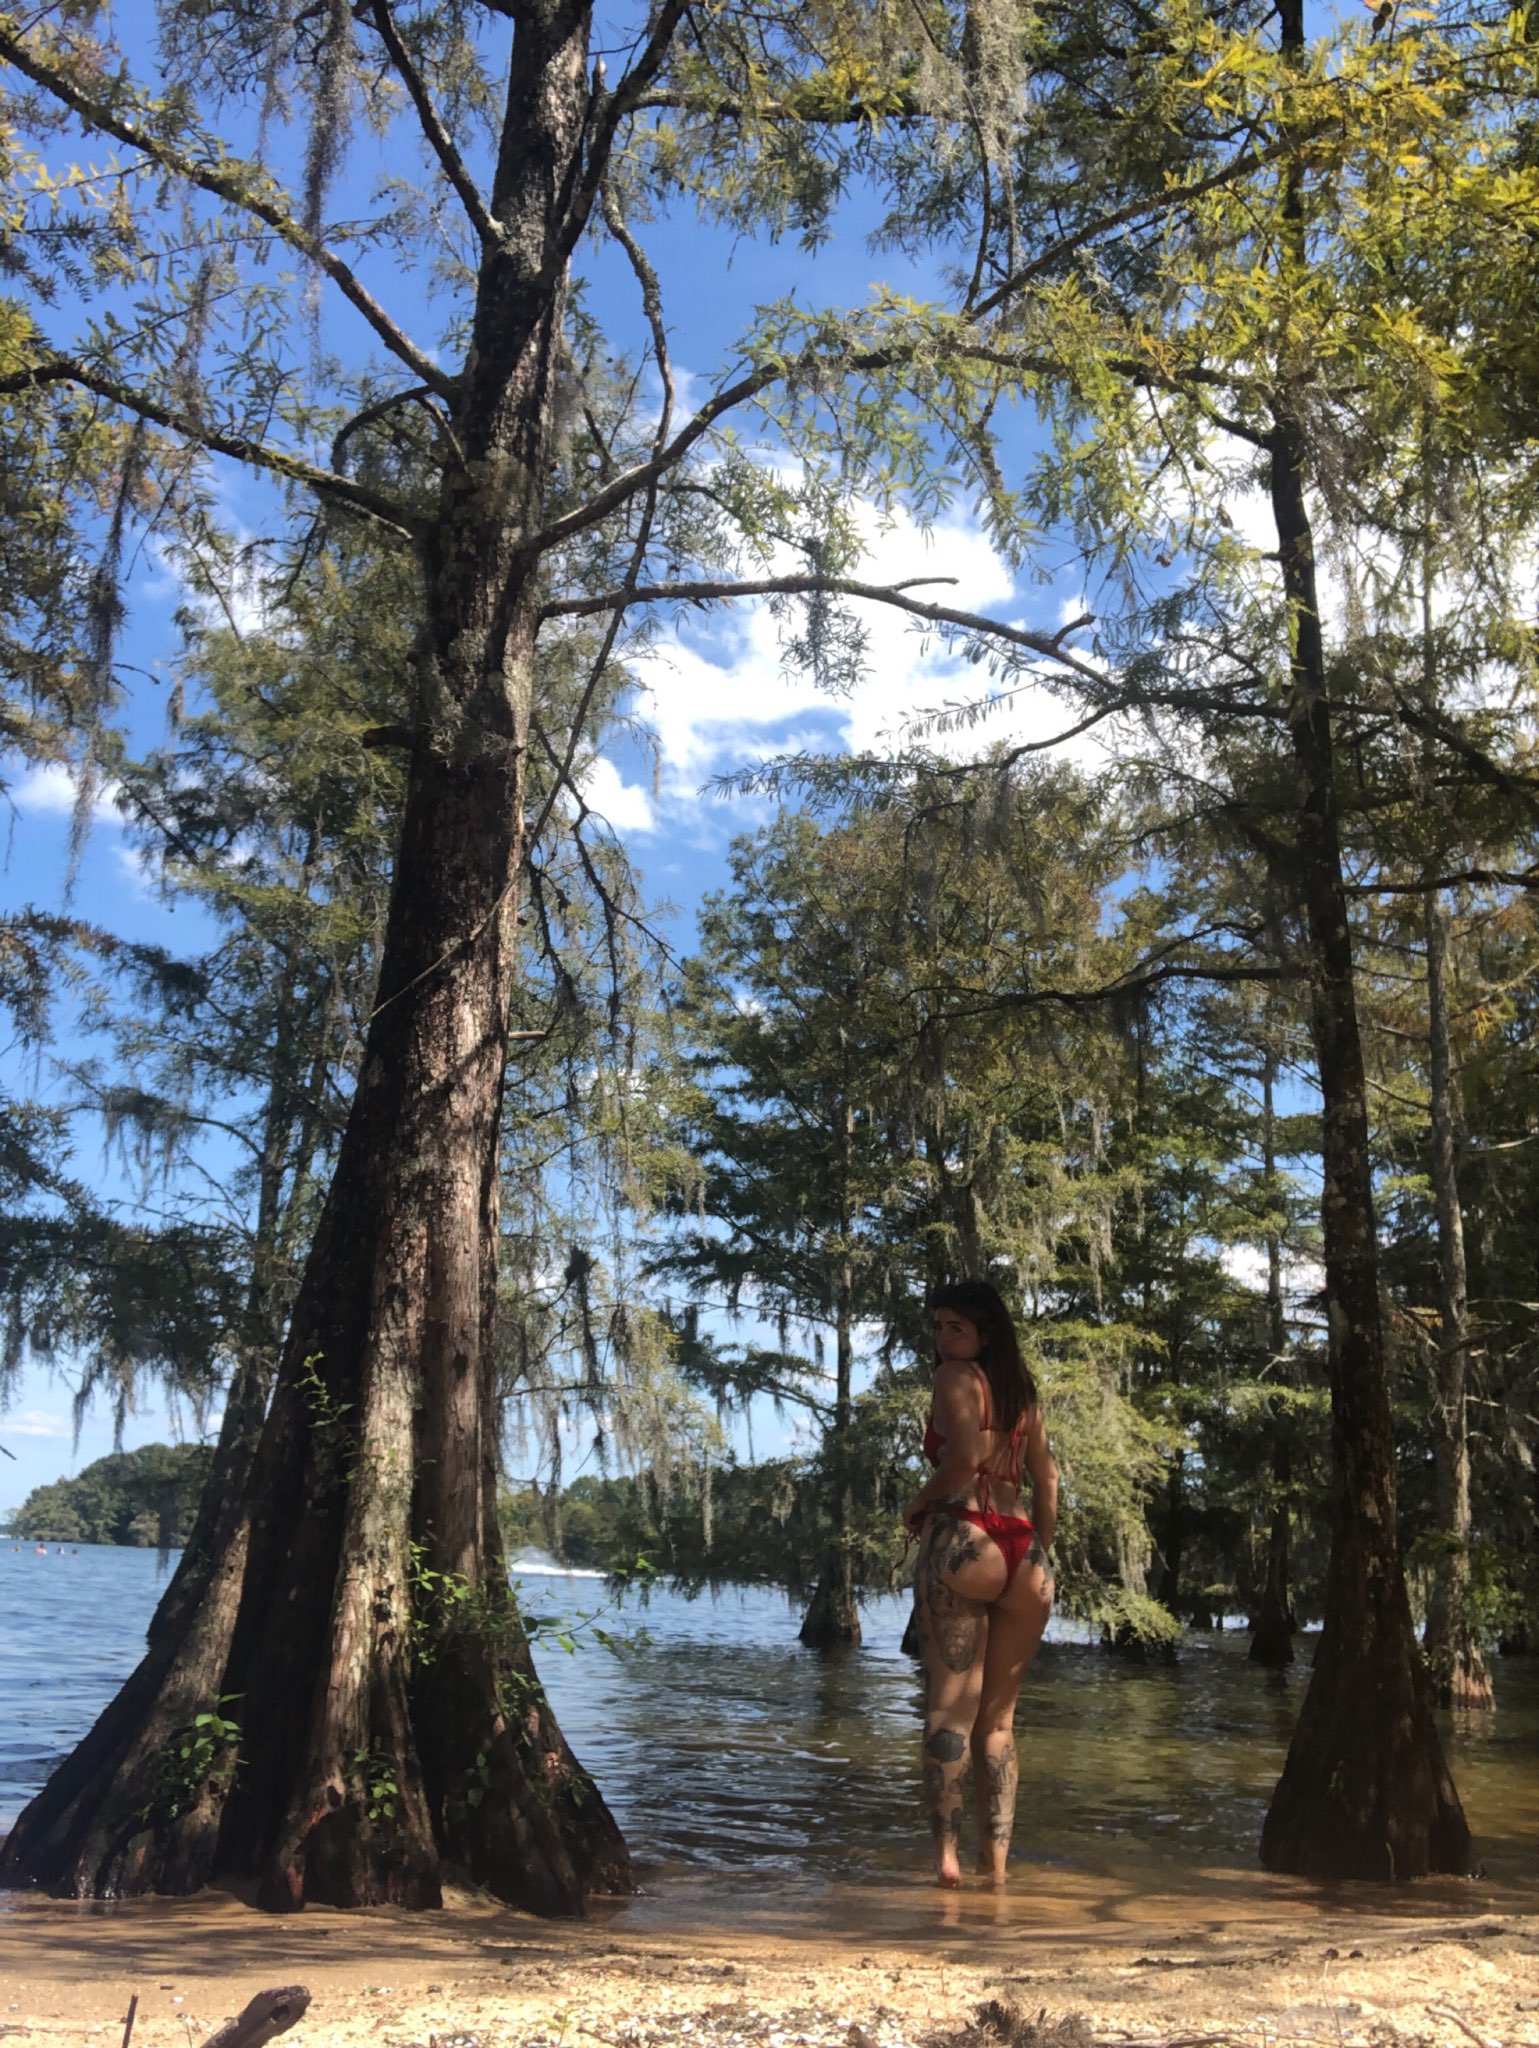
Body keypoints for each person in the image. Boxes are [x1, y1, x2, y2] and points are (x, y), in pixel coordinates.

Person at [904, 1279, 1057, 1888]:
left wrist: (917, 1504)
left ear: (984, 1334)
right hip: (1026, 1558)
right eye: (938, 1327)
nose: (943, 1340)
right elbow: (1047, 1480)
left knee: (949, 1710)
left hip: (965, 1539)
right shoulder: (1023, 1393)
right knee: (999, 1722)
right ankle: (995, 1869)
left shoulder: (954, 1379)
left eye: (956, 1328)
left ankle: (946, 1859)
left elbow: (964, 1459)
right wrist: (1042, 1549)